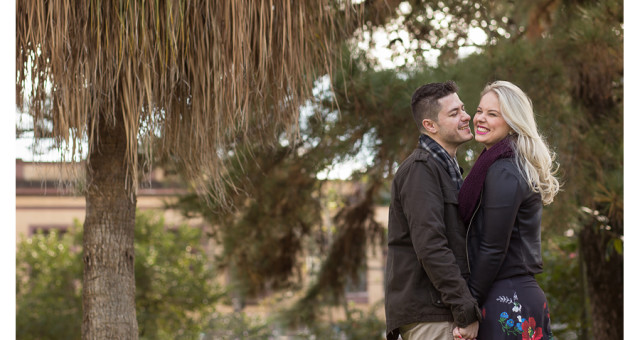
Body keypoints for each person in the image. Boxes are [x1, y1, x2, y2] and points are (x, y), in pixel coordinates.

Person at [454, 80, 560, 339]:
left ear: (513, 122)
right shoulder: (500, 164)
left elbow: (492, 247)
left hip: (507, 299)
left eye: (493, 114)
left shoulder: (504, 170)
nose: (480, 119)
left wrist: (469, 309)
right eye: (480, 111)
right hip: (507, 294)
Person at [385, 81, 482, 340]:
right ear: (430, 126)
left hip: (443, 312)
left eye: (462, 108)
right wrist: (465, 310)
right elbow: (431, 246)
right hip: (433, 316)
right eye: (454, 113)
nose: (466, 116)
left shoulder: (444, 169)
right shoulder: (420, 170)